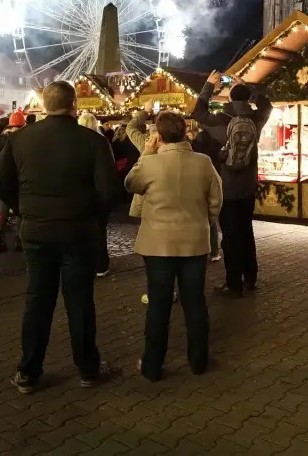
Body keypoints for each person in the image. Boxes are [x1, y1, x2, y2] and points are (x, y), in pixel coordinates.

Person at [0, 81, 117, 393]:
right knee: (79, 302)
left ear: (45, 105)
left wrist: (25, 209)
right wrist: (92, 217)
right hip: (78, 231)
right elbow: (108, 191)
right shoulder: (93, 141)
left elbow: (0, 183)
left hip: (36, 230)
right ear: (74, 104)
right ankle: (88, 368)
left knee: (37, 300)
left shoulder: (20, 139)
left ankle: (29, 370)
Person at [125, 111, 221, 382]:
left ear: (159, 135)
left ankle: (153, 364)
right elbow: (216, 199)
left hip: (157, 244)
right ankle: (198, 360)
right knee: (195, 302)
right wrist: (203, 221)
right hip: (194, 242)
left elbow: (130, 183)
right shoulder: (204, 162)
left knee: (158, 304)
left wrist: (146, 153)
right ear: (185, 132)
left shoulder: (150, 164)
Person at [193, 71, 272, 297]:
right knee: (246, 231)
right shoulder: (256, 119)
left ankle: (233, 282)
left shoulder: (221, 120)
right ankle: (251, 277)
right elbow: (267, 105)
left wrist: (208, 85)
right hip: (248, 187)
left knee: (230, 235)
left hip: (226, 188)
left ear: (229, 99)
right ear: (247, 99)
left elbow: (197, 111)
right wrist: (247, 87)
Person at [78, 111, 113, 276]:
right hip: (97, 193)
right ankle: (100, 265)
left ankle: (84, 263)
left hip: (79, 193)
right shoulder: (101, 142)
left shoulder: (73, 142)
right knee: (99, 231)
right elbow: (108, 169)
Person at [0, 111, 26, 251]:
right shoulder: (24, 138)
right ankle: (19, 240)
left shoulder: (0, 139)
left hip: (4, 178)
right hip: (19, 179)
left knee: (3, 209)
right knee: (19, 211)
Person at [190, 127, 223, 261]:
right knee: (211, 220)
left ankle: (198, 250)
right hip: (213, 177)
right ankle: (214, 251)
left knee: (197, 215)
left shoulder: (196, 143)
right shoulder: (217, 142)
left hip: (197, 181)